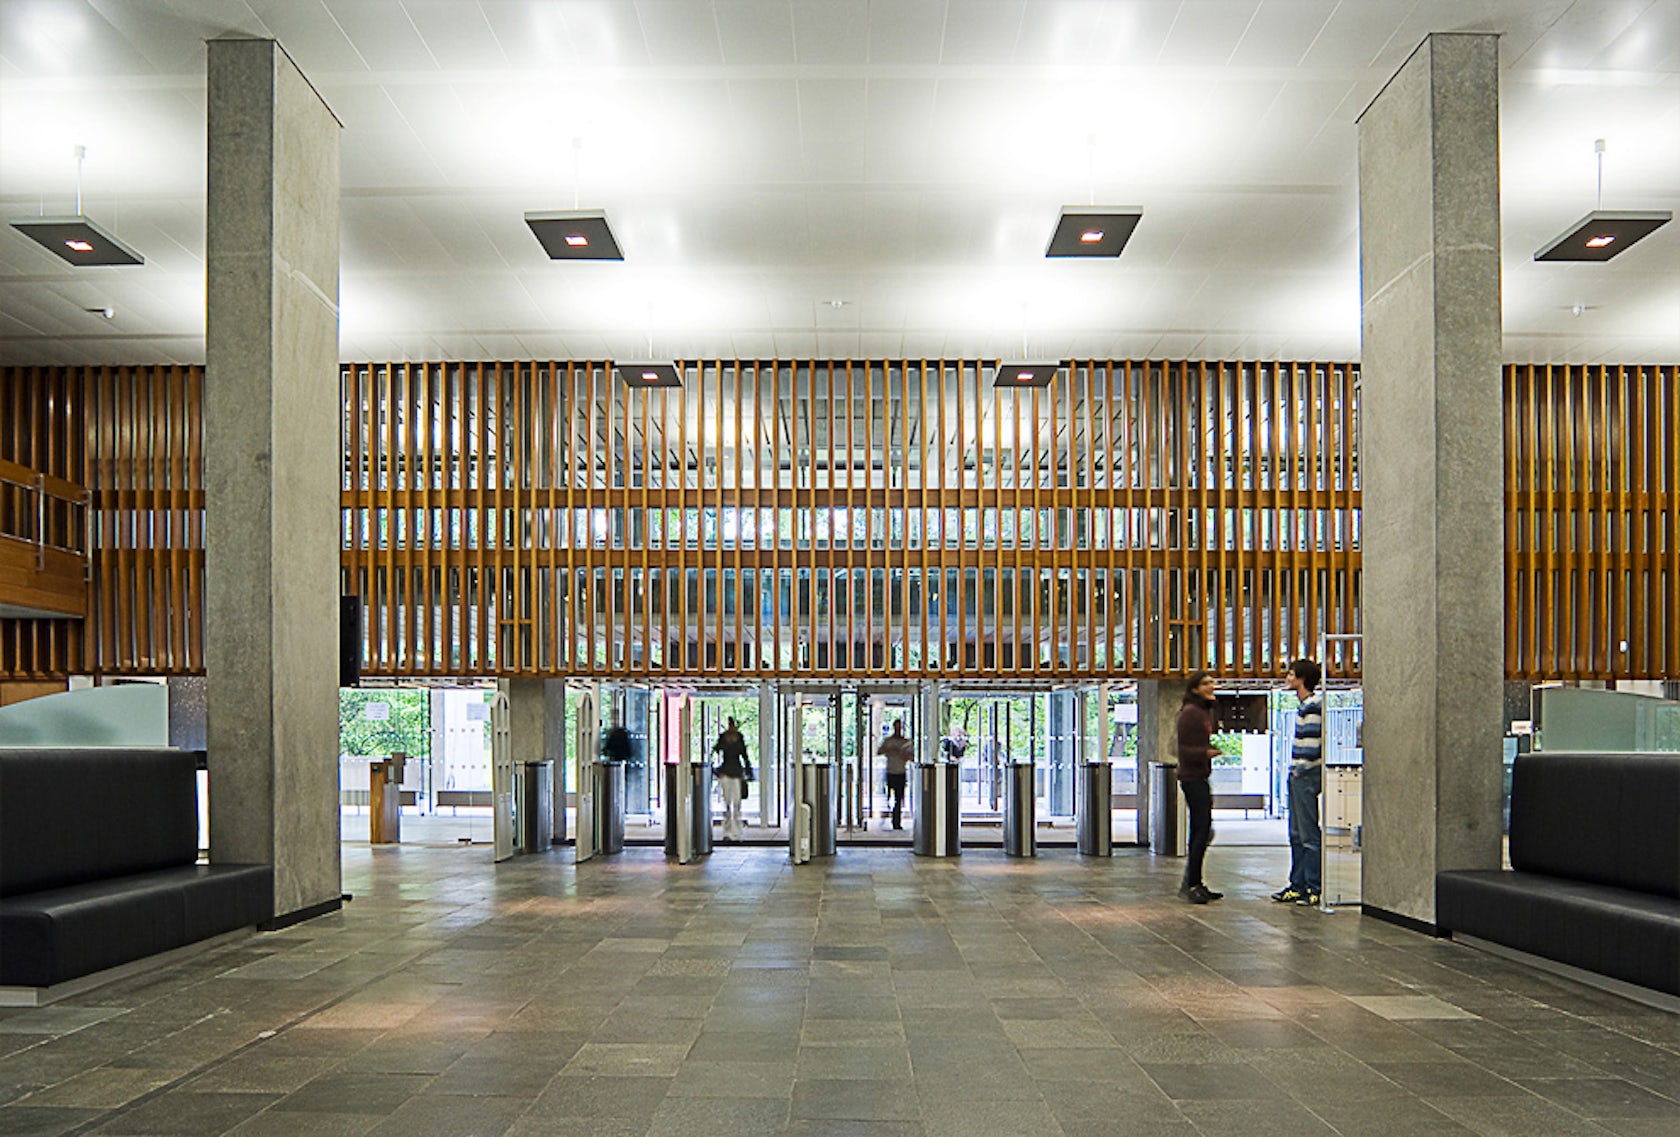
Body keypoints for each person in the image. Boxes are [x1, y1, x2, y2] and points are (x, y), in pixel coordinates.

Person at [1272, 659, 1325, 907]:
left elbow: (1313, 746)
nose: (1287, 677)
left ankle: (1313, 887)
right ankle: (1298, 884)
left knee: (1308, 835)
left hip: (1305, 775)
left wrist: (1299, 770)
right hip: (1298, 774)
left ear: (1301, 679)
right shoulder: (1305, 705)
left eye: (1291, 673)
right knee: (1296, 834)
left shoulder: (1313, 706)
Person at [1175, 671, 1223, 904]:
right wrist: (1206, 753)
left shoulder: (1203, 711)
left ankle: (1195, 881)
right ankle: (1192, 883)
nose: (1211, 686)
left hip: (1199, 776)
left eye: (1212, 682)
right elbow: (1184, 749)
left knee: (1203, 830)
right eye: (1205, 683)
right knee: (1201, 831)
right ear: (1195, 689)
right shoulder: (1190, 713)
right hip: (1192, 777)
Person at [711, 716, 751, 841]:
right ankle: (735, 833)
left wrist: (715, 769)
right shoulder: (738, 738)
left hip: (727, 771)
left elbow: (715, 750)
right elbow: (744, 755)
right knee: (733, 804)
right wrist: (748, 771)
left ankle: (729, 832)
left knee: (729, 803)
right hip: (735, 771)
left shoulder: (724, 737)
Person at [877, 719, 913, 830]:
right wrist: (888, 750)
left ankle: (896, 821)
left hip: (900, 773)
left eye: (899, 727)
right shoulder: (888, 741)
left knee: (899, 799)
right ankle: (886, 815)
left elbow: (911, 757)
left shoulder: (906, 742)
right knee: (889, 798)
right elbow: (879, 752)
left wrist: (903, 754)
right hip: (890, 772)